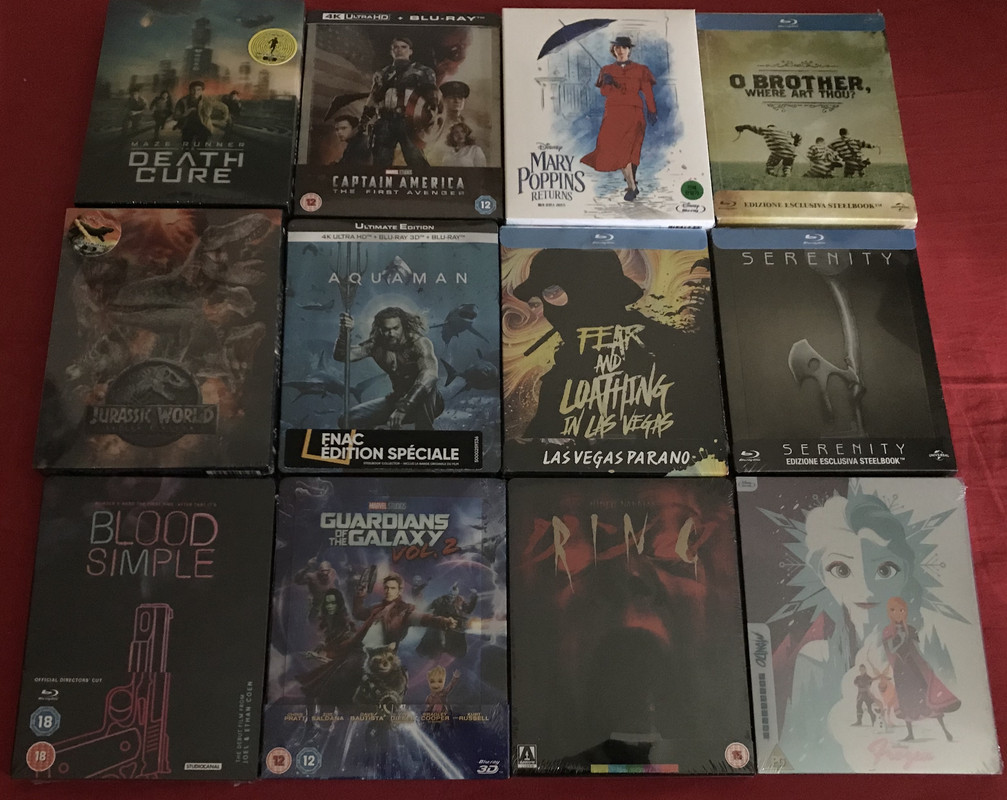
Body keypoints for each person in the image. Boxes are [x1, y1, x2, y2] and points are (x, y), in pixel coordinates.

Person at [333, 306, 443, 430]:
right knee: (347, 420)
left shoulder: (419, 343)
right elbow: (342, 356)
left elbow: (430, 375)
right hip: (398, 399)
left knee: (427, 385)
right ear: (379, 329)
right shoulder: (375, 346)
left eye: (395, 328)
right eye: (386, 330)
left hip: (428, 402)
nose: (391, 334)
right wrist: (344, 333)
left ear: (403, 326)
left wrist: (404, 407)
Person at [580, 36, 657, 201]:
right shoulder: (606, 70)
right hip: (613, 113)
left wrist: (652, 111)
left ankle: (631, 185)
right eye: (617, 48)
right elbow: (604, 93)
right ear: (613, 50)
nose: (621, 50)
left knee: (628, 149)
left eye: (624, 47)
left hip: (633, 112)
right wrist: (608, 82)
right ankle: (632, 185)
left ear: (629, 50)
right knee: (613, 146)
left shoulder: (641, 69)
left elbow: (647, 92)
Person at [883, 595, 960, 741]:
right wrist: (901, 637)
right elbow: (892, 650)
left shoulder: (910, 629)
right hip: (900, 669)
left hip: (913, 666)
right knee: (905, 698)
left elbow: (916, 649)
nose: (897, 613)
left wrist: (925, 663)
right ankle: (910, 733)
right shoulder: (888, 631)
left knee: (924, 694)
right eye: (893, 610)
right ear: (889, 612)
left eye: (901, 610)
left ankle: (945, 731)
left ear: (905, 611)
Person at [362, 37, 438, 168]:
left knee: (416, 160)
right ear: (391, 51)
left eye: (404, 47)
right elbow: (373, 97)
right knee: (380, 163)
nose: (399, 50)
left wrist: (429, 119)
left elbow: (432, 98)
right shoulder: (382, 73)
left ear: (410, 51)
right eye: (396, 47)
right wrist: (364, 119)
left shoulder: (422, 72)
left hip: (409, 121)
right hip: (385, 121)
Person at [352, 573, 455, 650]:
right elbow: (358, 614)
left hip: (383, 656)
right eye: (386, 588)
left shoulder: (404, 611)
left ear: (399, 591)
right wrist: (360, 596)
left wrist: (444, 621)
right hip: (361, 649)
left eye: (393, 588)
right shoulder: (376, 608)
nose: (389, 591)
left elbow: (424, 619)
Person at [736, 123, 801, 177]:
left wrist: (743, 127)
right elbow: (798, 135)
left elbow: (753, 127)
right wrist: (796, 144)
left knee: (770, 164)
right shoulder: (784, 131)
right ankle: (787, 174)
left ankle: (771, 175)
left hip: (778, 150)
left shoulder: (767, 130)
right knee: (787, 165)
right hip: (791, 151)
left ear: (769, 127)